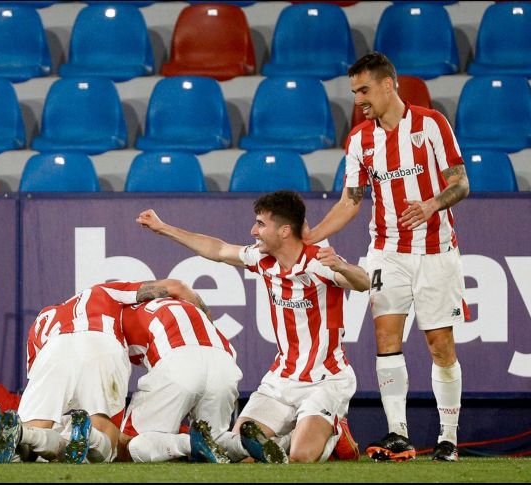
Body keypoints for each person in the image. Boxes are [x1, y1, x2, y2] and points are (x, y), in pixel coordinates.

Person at [305, 52, 470, 462]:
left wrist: (431, 205)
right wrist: (312, 235)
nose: (358, 99)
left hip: (435, 251)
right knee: (385, 338)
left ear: (387, 85)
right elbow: (351, 200)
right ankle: (399, 433)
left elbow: (461, 183)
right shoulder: (359, 139)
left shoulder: (431, 124)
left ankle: (449, 438)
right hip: (386, 251)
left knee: (439, 344)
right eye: (354, 92)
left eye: (363, 90)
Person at [137, 190, 370, 464]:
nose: (253, 231)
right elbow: (218, 250)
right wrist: (164, 228)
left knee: (301, 457)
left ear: (284, 231)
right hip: (281, 379)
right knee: (243, 452)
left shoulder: (318, 262)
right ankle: (289, 437)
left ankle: (336, 432)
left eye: (261, 224)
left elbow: (364, 282)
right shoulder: (262, 259)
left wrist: (342, 267)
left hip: (325, 380)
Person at [0, 279, 208, 464]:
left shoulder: (43, 319)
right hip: (100, 343)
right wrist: (202, 317)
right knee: (105, 442)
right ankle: (83, 433)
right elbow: (176, 287)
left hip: (52, 351)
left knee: (28, 439)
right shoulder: (104, 291)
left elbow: (39, 369)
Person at [117, 296, 242, 464]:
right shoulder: (183, 303)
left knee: (129, 444)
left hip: (178, 359)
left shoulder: (116, 317)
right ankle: (243, 444)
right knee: (215, 438)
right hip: (224, 361)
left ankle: (190, 443)